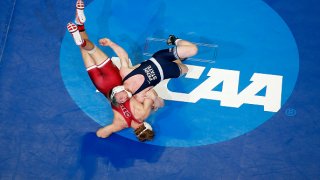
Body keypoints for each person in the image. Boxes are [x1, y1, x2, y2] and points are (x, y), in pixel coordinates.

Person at [67, 0, 161, 142]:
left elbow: (150, 94)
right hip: (102, 86)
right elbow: (101, 134)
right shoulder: (120, 125)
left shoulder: (143, 114)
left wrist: (155, 103)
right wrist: (117, 127)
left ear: (146, 126)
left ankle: (80, 27)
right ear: (136, 132)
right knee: (84, 48)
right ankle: (80, 26)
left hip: (114, 79)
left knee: (92, 49)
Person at [111, 34, 198, 103]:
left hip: (160, 58)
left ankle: (174, 40)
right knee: (186, 69)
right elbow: (157, 99)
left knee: (193, 50)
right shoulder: (139, 97)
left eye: (119, 99)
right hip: (168, 72)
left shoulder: (125, 74)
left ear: (117, 90)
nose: (122, 101)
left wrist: (110, 43)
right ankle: (179, 58)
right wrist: (155, 100)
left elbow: (123, 55)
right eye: (121, 102)